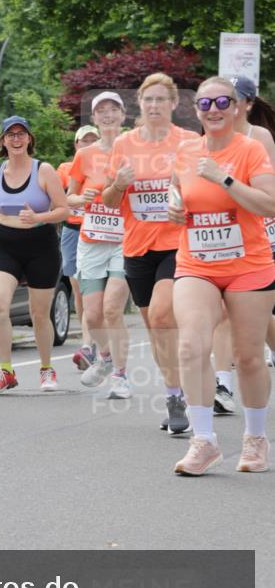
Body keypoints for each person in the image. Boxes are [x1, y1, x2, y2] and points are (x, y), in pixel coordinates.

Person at [168, 76, 275, 475]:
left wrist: (224, 179)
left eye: (222, 102)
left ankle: (255, 437)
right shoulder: (185, 150)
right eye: (205, 103)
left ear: (237, 107)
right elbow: (176, 189)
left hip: (249, 265)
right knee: (190, 346)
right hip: (196, 263)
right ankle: (204, 441)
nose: (213, 110)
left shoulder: (251, 148)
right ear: (196, 110)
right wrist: (174, 206)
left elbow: (270, 205)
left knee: (248, 357)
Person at [103, 73, 198, 433]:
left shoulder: (189, 142)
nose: (154, 105)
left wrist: (186, 205)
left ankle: (183, 394)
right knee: (156, 328)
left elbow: (206, 191)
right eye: (148, 99)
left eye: (161, 99)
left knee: (161, 316)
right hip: (137, 247)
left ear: (174, 104)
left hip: (179, 244)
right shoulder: (124, 144)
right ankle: (175, 394)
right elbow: (109, 201)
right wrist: (119, 184)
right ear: (139, 104)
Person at [0, 116, 68, 393]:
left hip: (41, 245)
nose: (16, 139)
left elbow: (63, 209)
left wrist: (38, 217)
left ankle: (46, 369)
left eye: (21, 134)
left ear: (29, 139)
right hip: (6, 245)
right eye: (11, 134)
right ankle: (6, 372)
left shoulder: (44, 170)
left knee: (39, 314)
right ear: (3, 141)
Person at [211, 75, 275, 411]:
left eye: (230, 100)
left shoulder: (258, 137)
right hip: (221, 235)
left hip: (261, 233)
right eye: (219, 100)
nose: (223, 106)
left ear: (247, 104)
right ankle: (222, 385)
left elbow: (268, 193)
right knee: (224, 310)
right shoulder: (209, 136)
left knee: (257, 314)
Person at [67, 93, 131, 398]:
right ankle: (105, 357)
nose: (107, 115)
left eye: (113, 110)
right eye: (101, 110)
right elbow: (69, 196)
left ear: (123, 115)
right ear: (94, 118)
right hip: (92, 241)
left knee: (112, 309)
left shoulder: (134, 150)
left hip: (124, 240)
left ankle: (121, 376)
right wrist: (82, 199)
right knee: (92, 315)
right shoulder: (85, 155)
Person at [57, 126, 100, 371]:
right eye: (85, 140)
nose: (89, 144)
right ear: (76, 145)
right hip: (73, 231)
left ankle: (90, 342)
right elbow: (57, 197)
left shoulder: (106, 166)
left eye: (94, 140)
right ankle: (89, 341)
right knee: (78, 286)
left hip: (99, 231)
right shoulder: (65, 169)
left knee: (93, 288)